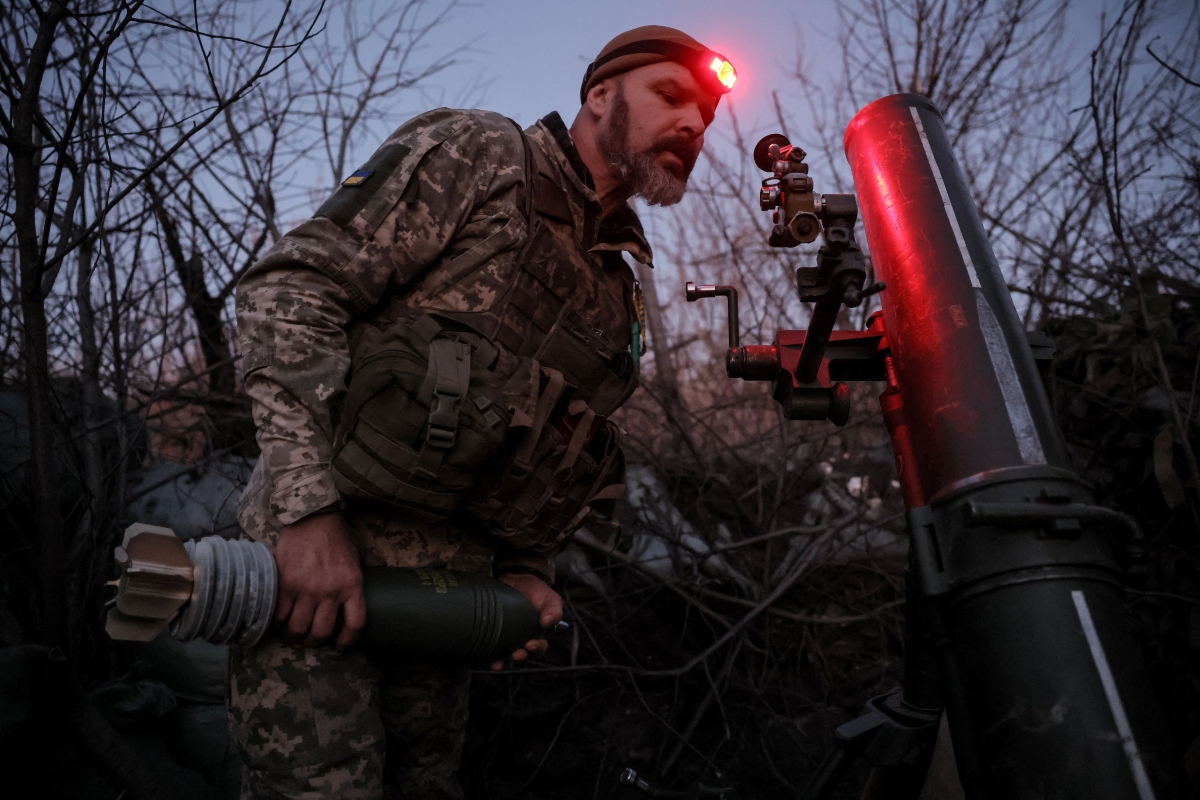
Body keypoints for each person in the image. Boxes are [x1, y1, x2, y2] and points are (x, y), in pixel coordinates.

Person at [230, 24, 736, 799]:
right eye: (672, 96)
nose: (695, 126)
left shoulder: (618, 291)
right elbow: (289, 291)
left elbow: (556, 450)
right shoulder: (483, 157)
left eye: (706, 117)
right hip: (321, 579)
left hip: (445, 612)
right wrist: (305, 514)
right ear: (601, 95)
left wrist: (525, 574)